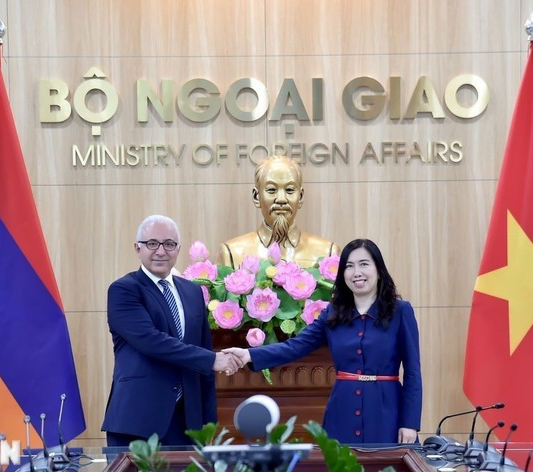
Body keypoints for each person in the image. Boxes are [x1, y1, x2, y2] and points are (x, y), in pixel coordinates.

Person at [224, 239, 422, 444]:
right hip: (341, 412)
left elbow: (413, 373)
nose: (357, 272)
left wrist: (410, 423)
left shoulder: (400, 312)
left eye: (364, 264)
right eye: (349, 266)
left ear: (379, 270)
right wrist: (249, 354)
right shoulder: (332, 314)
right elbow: (295, 347)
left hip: (387, 412)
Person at [101, 215, 242, 447]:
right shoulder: (123, 290)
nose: (160, 251)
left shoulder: (193, 292)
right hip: (138, 422)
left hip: (188, 424)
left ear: (178, 249)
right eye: (152, 244)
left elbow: (202, 356)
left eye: (169, 244)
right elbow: (152, 341)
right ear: (137, 248)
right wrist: (212, 359)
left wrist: (209, 426)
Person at [218, 156, 339, 268]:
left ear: (300, 197)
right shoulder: (231, 253)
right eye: (271, 190)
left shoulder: (328, 253)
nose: (281, 199)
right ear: (256, 196)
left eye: (290, 190)